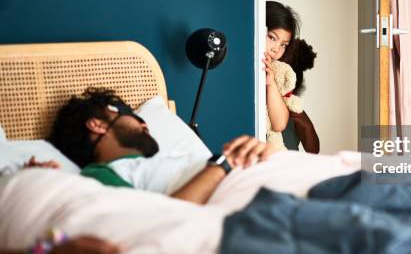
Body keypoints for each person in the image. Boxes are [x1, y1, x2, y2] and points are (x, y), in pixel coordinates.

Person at [48, 88, 271, 205]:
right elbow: (160, 222)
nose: (143, 122)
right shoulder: (99, 175)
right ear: (96, 125)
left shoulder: (163, 160)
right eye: (127, 113)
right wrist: (222, 164)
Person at [263, 1, 320, 153]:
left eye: (283, 44)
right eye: (272, 37)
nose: (276, 49)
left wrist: (272, 85)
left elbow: (314, 149)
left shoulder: (278, 75)